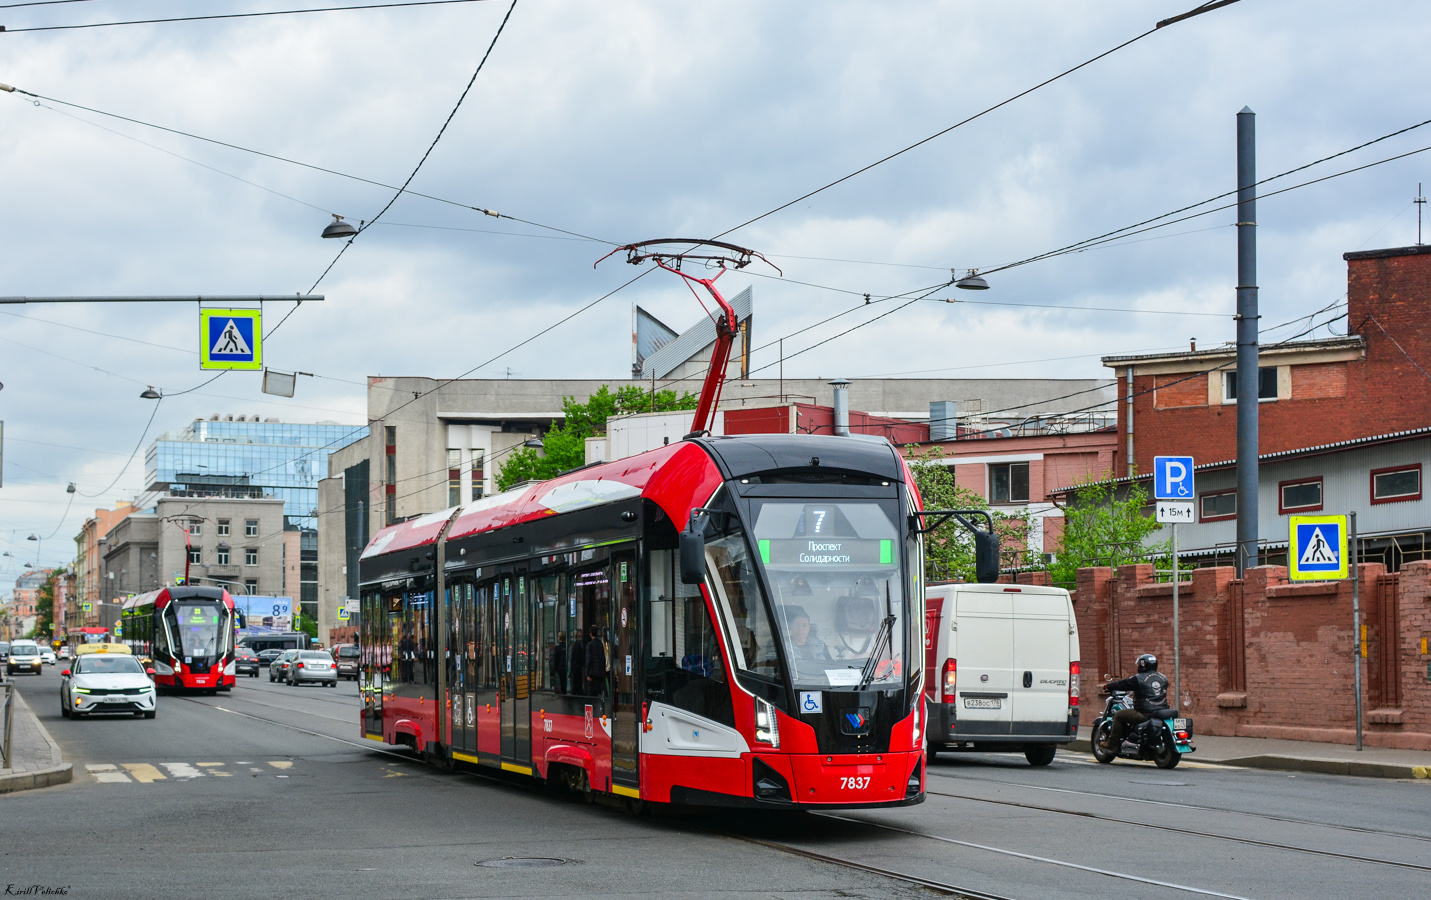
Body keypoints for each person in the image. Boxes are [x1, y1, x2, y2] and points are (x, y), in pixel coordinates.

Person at [1103, 653, 1171, 748]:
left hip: (1144, 713)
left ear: (1143, 665)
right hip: (1160, 711)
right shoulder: (1163, 678)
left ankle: (1112, 745)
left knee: (1118, 715)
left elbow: (1123, 684)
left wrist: (1109, 686)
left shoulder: (1138, 678)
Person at [584, 623, 607, 696]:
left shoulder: (589, 645)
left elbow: (588, 660)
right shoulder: (600, 644)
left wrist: (587, 673)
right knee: (600, 693)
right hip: (600, 673)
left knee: (591, 694)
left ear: (590, 634)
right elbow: (603, 658)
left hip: (592, 674)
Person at [568, 628, 586, 695]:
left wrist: (571, 670)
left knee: (575, 682)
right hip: (579, 667)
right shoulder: (581, 646)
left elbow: (572, 658)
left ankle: (575, 693)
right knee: (579, 682)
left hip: (575, 667)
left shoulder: (575, 646)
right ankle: (579, 692)